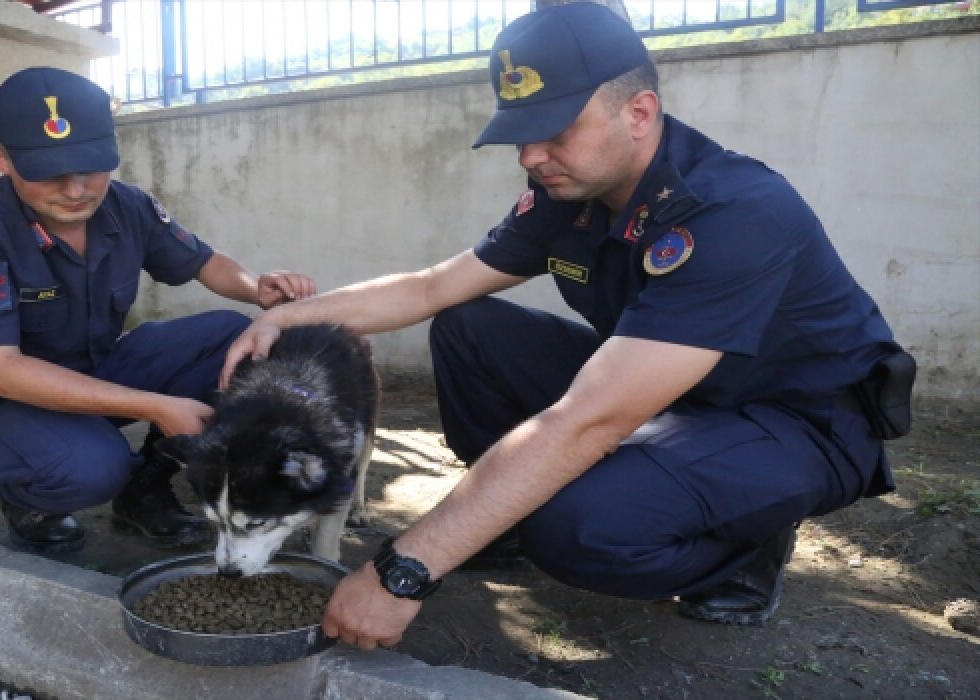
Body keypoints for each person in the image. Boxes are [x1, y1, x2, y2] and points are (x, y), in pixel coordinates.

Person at [221, 3, 911, 648]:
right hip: (675, 392)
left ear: (639, 112)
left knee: (579, 529)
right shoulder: (569, 193)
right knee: (467, 324)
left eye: (553, 132)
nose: (529, 156)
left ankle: (746, 544)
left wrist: (406, 567)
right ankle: (504, 524)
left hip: (797, 421)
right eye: (521, 135)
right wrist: (292, 313)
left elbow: (587, 421)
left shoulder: (733, 212)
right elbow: (434, 286)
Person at [0, 66, 316, 554]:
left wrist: (258, 289)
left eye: (90, 165)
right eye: (49, 171)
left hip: (96, 366)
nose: (76, 189)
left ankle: (145, 487)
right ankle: (30, 498)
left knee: (236, 340)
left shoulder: (126, 206)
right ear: (0, 158)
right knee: (93, 468)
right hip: (5, 400)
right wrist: (154, 405)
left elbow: (203, 261)